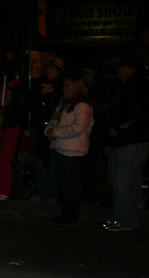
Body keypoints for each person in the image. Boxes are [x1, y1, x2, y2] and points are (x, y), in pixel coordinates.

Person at [103, 55, 149, 231]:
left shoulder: (137, 87)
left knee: (125, 182)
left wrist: (120, 129)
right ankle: (123, 216)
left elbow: (136, 113)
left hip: (131, 141)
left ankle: (126, 219)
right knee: (122, 181)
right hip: (125, 141)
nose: (119, 71)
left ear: (132, 69)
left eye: (123, 67)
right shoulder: (127, 87)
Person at [45, 75, 94, 224]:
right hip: (60, 147)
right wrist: (49, 131)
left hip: (73, 149)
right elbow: (54, 122)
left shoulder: (82, 106)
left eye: (68, 86)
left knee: (69, 184)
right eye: (64, 86)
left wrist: (56, 132)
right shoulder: (64, 104)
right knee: (65, 183)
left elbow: (78, 128)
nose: (64, 89)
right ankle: (67, 213)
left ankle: (71, 215)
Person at [0, 62, 26, 201]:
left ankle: (5, 189)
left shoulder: (16, 86)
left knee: (4, 159)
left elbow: (19, 110)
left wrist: (6, 112)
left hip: (10, 127)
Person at [28, 57, 64, 203]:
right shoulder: (38, 84)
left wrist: (55, 92)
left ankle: (52, 193)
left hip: (56, 127)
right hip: (39, 126)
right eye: (47, 68)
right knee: (40, 159)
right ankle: (41, 191)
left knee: (53, 160)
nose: (49, 71)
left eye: (52, 68)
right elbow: (30, 103)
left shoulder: (62, 86)